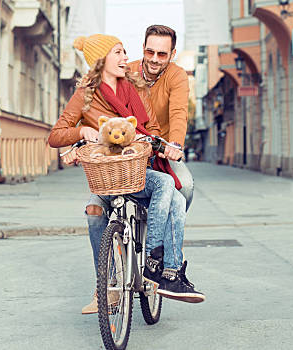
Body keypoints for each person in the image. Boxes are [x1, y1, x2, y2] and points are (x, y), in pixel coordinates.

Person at [47, 34, 204, 315]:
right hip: (107, 173)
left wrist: (156, 142)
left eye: (124, 52)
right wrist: (82, 132)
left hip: (135, 169)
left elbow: (154, 125)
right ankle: (105, 287)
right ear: (101, 59)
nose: (125, 59)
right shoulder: (85, 93)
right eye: (118, 53)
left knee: (179, 194)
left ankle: (162, 267)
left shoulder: (135, 87)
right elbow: (56, 135)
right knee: (94, 210)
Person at [128, 25, 195, 210]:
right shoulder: (126, 71)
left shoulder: (177, 75)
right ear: (143, 48)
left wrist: (174, 145)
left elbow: (178, 113)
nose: (154, 59)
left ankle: (167, 225)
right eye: (150, 52)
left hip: (162, 149)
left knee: (186, 187)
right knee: (98, 206)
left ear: (172, 54)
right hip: (129, 150)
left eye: (162, 54)